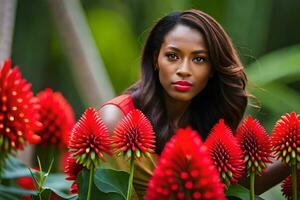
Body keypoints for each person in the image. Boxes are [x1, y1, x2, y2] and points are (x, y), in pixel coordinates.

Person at [99, 9, 289, 199]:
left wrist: (292, 154)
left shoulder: (213, 120)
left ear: (213, 69)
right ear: (155, 59)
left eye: (199, 59)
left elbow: (231, 191)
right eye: (173, 56)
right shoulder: (116, 119)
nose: (184, 70)